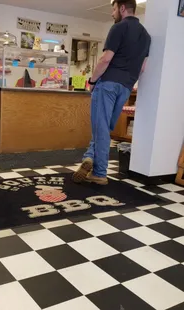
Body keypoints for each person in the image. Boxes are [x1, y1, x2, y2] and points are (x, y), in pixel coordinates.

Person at [72, 0, 151, 185]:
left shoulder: (118, 28)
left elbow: (106, 59)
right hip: (125, 87)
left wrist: (92, 80)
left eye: (114, 9)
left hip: (107, 84)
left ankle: (100, 173)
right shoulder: (146, 36)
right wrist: (129, 81)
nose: (112, 13)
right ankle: (90, 156)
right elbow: (143, 67)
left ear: (122, 8)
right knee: (105, 128)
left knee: (100, 128)